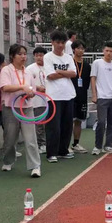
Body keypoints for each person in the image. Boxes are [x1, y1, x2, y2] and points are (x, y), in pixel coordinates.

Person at [0, 44, 41, 177]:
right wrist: (22, 87)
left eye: (24, 54)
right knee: (10, 138)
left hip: (27, 108)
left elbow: (33, 90)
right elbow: (4, 87)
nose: (23, 57)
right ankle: (8, 161)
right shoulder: (6, 70)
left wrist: (30, 94)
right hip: (10, 108)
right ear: (12, 56)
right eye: (20, 54)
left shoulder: (28, 72)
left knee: (30, 138)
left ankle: (35, 166)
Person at [43, 30, 77, 163]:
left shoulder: (68, 57)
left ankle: (63, 150)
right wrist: (66, 73)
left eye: (62, 43)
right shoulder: (48, 57)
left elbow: (74, 74)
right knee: (53, 126)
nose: (60, 45)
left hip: (68, 95)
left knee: (67, 125)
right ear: (52, 42)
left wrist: (60, 71)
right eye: (57, 42)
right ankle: (51, 153)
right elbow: (50, 76)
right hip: (53, 97)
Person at [91, 42, 112, 155]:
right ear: (103, 51)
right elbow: (93, 78)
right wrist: (94, 94)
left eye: (111, 51)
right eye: (107, 51)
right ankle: (97, 146)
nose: (109, 53)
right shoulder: (97, 63)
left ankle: (108, 145)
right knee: (101, 122)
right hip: (102, 97)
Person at [69, 40, 91, 154]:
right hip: (70, 96)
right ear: (73, 49)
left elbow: (88, 82)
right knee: (69, 121)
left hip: (82, 96)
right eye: (78, 48)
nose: (80, 50)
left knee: (79, 121)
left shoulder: (87, 66)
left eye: (82, 48)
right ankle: (65, 145)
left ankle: (76, 144)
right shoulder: (69, 63)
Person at [26, 46, 48, 153]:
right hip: (37, 101)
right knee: (39, 124)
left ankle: (48, 143)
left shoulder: (49, 67)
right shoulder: (30, 69)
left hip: (49, 100)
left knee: (48, 123)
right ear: (34, 56)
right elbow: (26, 84)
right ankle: (41, 144)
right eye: (37, 55)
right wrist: (38, 88)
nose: (39, 57)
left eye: (41, 55)